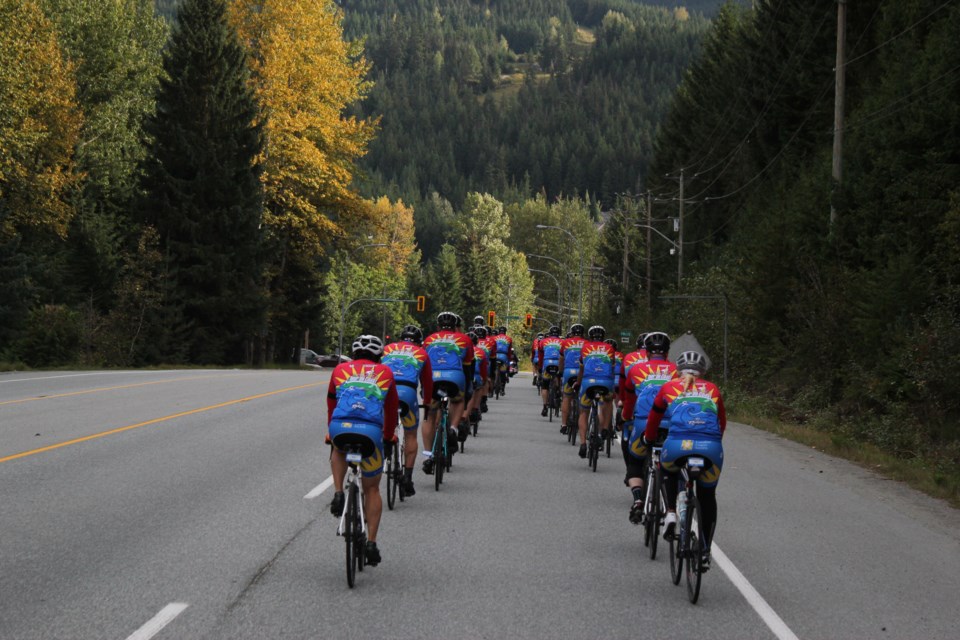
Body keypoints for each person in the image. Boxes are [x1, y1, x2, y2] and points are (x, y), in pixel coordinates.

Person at [643, 350, 726, 568]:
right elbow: (721, 423)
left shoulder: (669, 387)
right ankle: (705, 551)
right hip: (710, 448)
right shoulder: (713, 389)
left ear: (677, 369)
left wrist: (649, 438)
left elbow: (654, 417)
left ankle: (670, 512)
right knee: (707, 496)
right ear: (703, 371)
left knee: (666, 468)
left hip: (678, 446)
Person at [326, 335, 398, 566]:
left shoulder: (340, 370)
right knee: (373, 489)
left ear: (354, 353)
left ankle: (338, 492)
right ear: (379, 356)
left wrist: (330, 430)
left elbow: (331, 403)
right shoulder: (385, 373)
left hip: (341, 426)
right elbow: (391, 409)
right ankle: (371, 543)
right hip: (370, 432)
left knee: (337, 448)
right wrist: (387, 437)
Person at [620, 331, 677, 522]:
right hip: (671, 424)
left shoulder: (636, 370)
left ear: (646, 352)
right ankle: (677, 502)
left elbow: (629, 400)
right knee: (676, 464)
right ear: (667, 352)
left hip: (643, 422)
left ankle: (637, 500)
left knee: (635, 461)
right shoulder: (676, 371)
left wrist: (626, 416)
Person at [381, 325, 433, 497]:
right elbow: (427, 383)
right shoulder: (421, 353)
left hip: (386, 390)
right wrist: (426, 403)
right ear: (419, 341)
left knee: (382, 426)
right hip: (407, 393)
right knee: (410, 434)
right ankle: (408, 478)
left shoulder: (387, 349)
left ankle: (383, 454)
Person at [421, 311, 474, 474]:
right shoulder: (465, 339)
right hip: (454, 377)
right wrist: (467, 390)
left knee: (430, 416)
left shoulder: (429, 339)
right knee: (458, 400)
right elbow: (468, 366)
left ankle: (428, 456)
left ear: (438, 326)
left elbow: (423, 365)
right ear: (455, 327)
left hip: (433, 380)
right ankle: (453, 428)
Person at [576, 325, 616, 458]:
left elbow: (582, 369)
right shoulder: (610, 348)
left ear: (590, 337)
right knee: (608, 401)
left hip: (588, 383)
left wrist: (578, 382)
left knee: (583, 412)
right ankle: (604, 428)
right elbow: (612, 367)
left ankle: (582, 443)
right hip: (606, 383)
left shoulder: (585, 348)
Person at [559, 323, 586, 433]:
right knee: (583, 398)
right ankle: (582, 422)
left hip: (569, 371)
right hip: (582, 373)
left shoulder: (565, 342)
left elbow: (561, 359)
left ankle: (564, 424)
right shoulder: (587, 343)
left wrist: (560, 372)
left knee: (566, 397)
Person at [465, 329, 488, 433]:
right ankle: (474, 409)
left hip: (463, 375)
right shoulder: (481, 352)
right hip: (477, 376)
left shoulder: (461, 348)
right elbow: (484, 370)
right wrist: (485, 380)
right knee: (478, 389)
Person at [537, 326, 563, 417]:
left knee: (545, 386)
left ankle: (544, 406)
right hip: (558, 364)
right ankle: (557, 391)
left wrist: (540, 367)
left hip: (547, 363)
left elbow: (540, 355)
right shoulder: (562, 342)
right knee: (558, 376)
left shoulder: (543, 341)